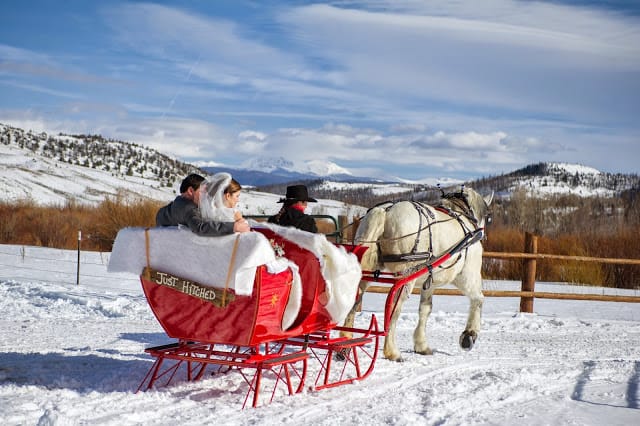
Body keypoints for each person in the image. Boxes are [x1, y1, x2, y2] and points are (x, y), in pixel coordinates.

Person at [156, 173, 250, 235]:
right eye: (203, 191)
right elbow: (200, 227)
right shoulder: (188, 208)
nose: (206, 195)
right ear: (190, 191)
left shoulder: (186, 202)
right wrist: (234, 226)